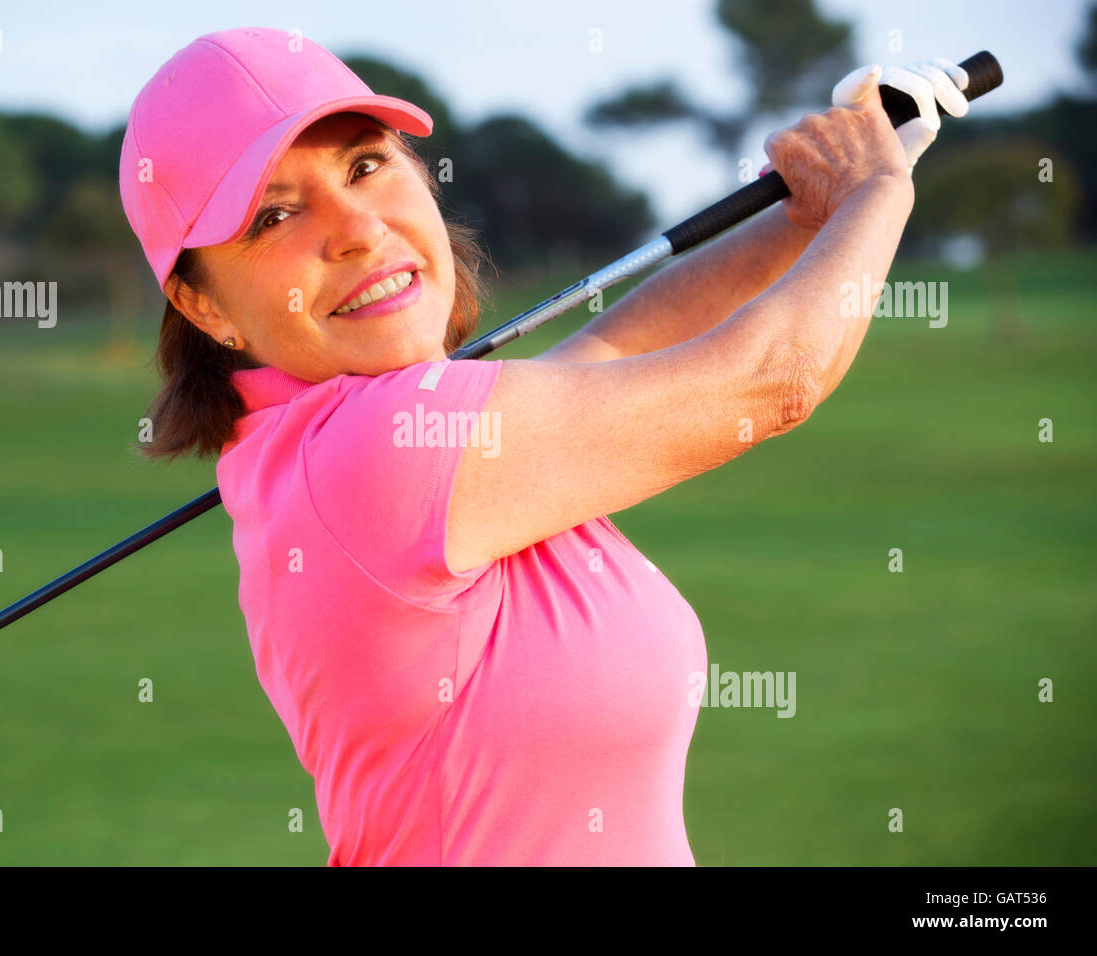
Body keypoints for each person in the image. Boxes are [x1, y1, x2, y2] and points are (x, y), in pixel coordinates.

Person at [118, 27, 969, 865]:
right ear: (205, 308)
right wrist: (876, 196)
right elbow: (771, 381)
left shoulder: (367, 440)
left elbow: (610, 351)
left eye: (366, 165)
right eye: (274, 216)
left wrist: (805, 212)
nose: (356, 230)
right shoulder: (373, 452)